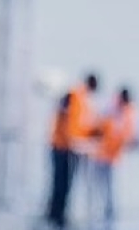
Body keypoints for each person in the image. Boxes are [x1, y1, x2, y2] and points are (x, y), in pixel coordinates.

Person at [45, 73, 99, 228]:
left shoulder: (82, 100)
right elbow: (69, 123)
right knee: (60, 183)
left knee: (65, 184)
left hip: (69, 148)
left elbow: (80, 125)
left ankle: (59, 214)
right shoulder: (74, 96)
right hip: (62, 147)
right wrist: (75, 141)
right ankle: (55, 215)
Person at [87, 87, 137, 230]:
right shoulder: (109, 107)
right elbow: (97, 126)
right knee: (96, 188)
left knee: (110, 191)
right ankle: (95, 217)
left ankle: (109, 219)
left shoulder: (129, 112)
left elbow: (129, 135)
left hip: (113, 158)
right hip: (100, 155)